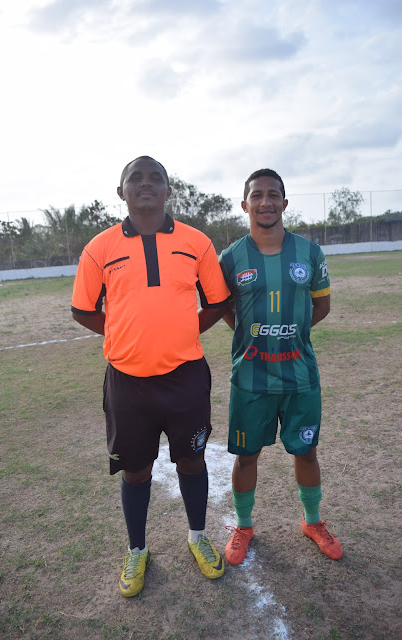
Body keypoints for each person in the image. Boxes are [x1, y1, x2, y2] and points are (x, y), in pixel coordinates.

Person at [71, 156, 231, 597]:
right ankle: (137, 549)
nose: (146, 184)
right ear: (120, 191)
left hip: (185, 378)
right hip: (128, 383)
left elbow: (217, 301)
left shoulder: (196, 242)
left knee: (192, 460)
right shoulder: (99, 248)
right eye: (135, 178)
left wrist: (182, 333)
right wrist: (123, 335)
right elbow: (83, 310)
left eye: (155, 177)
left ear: (168, 190)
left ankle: (198, 537)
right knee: (135, 470)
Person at [219, 168, 342, 565]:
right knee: (246, 456)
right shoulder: (230, 258)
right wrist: (253, 336)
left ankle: (312, 521)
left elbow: (321, 305)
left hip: (300, 374)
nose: (265, 201)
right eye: (257, 195)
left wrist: (292, 333)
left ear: (284, 203)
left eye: (273, 194)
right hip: (251, 376)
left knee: (306, 452)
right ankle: (243, 526)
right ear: (245, 205)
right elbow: (224, 309)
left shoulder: (309, 253)